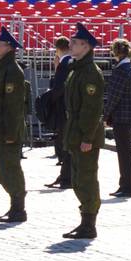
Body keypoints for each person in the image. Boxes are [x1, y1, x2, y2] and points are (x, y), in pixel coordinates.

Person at [61, 23, 104, 240]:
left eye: (76, 42)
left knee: (86, 178)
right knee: (78, 178)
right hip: (76, 131)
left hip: (86, 134)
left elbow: (92, 108)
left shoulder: (90, 73)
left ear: (86, 46)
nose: (71, 45)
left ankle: (89, 224)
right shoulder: (77, 69)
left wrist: (87, 137)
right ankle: (85, 220)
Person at [0, 27, 28, 222]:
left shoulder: (12, 71)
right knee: (4, 169)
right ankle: (14, 206)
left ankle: (18, 208)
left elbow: (13, 106)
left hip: (8, 129)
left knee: (10, 168)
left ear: (9, 48)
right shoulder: (3, 69)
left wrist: (11, 132)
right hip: (0, 127)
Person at [105, 38, 131, 198]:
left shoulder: (121, 70)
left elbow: (113, 96)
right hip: (128, 116)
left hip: (121, 117)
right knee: (125, 152)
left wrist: (106, 115)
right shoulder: (128, 68)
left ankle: (128, 187)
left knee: (124, 153)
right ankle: (127, 185)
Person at [45, 36, 73, 189]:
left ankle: (67, 177)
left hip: (63, 110)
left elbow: (58, 88)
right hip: (68, 109)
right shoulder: (71, 62)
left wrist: (49, 101)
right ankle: (65, 175)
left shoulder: (64, 64)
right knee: (66, 143)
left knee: (66, 144)